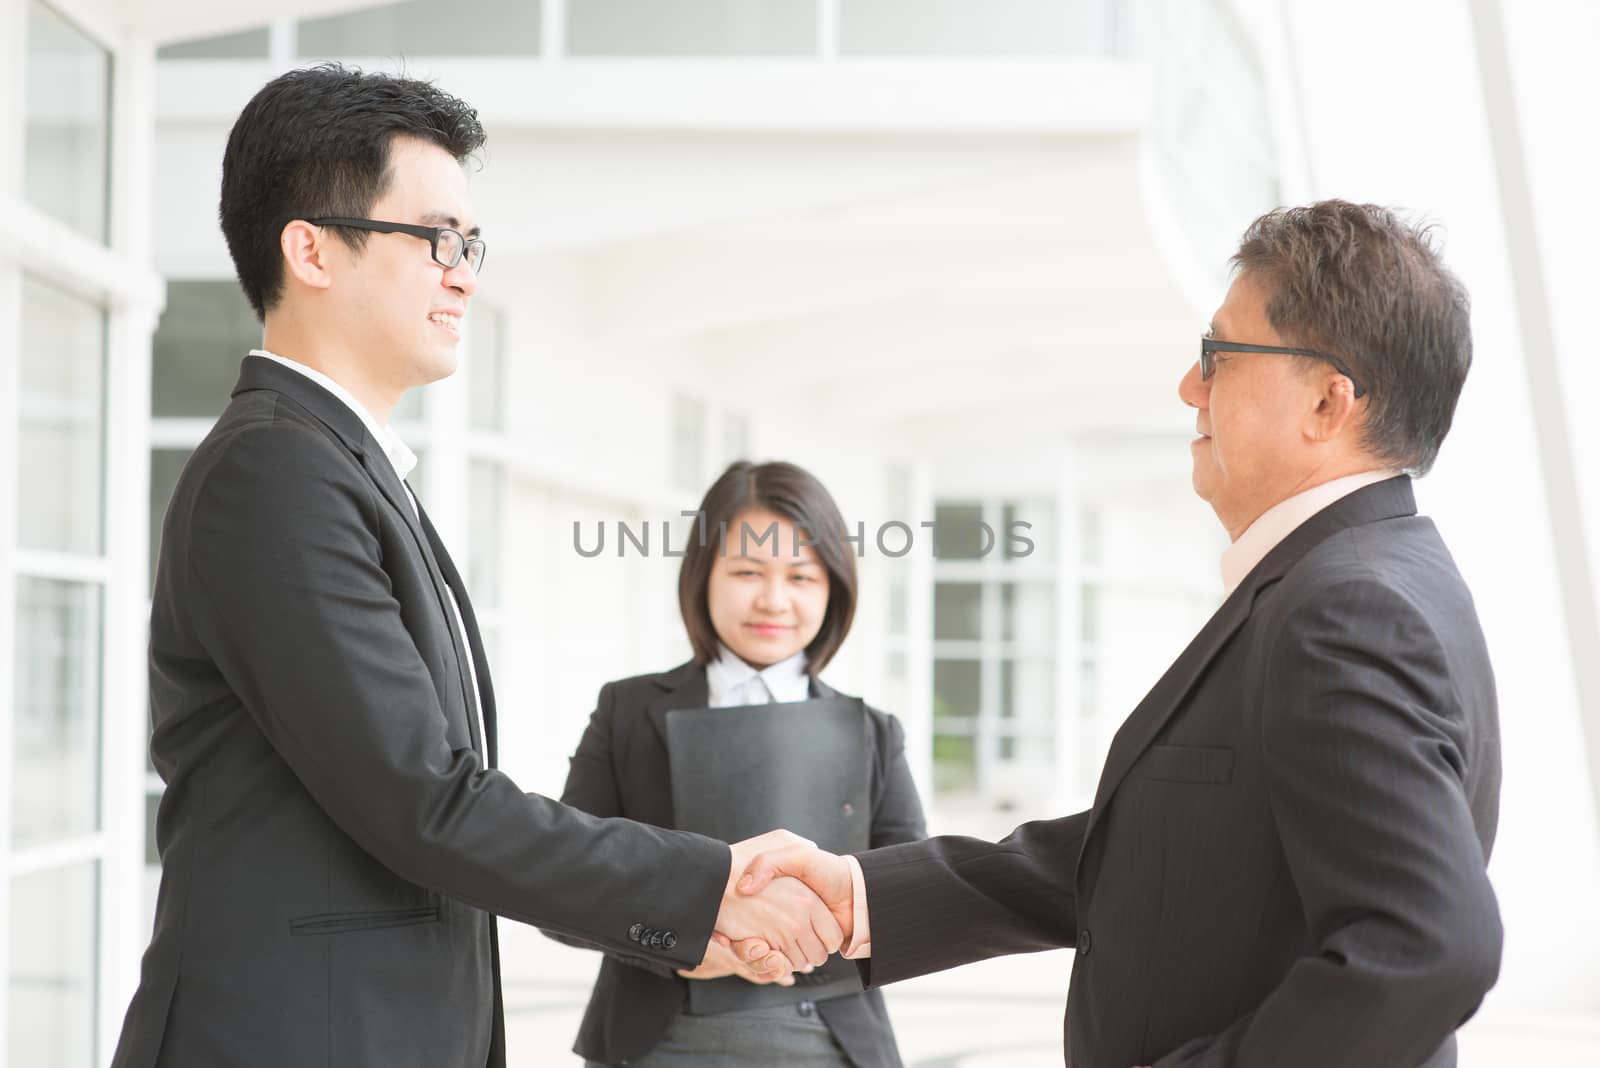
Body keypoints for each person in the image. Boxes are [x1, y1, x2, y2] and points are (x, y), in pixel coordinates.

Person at [112, 65, 839, 1068]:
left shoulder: (343, 466)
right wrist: (705, 884)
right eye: (436, 239)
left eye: (471, 245)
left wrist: (692, 919)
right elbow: (424, 797)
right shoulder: (274, 473)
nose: (463, 272)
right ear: (311, 248)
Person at [735, 200, 1503, 1068]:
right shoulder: (1357, 576)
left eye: (1218, 355)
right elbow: (1174, 849)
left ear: (1328, 402)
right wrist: (864, 893)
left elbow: (1431, 951)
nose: (1189, 386)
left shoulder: (1348, 608)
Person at [550, 460, 927, 1068]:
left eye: (801, 576)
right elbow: (560, 886)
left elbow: (912, 900)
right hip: (658, 1041)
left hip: (831, 1043)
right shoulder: (628, 711)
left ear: (833, 588)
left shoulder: (874, 732)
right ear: (703, 577)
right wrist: (679, 943)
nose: (773, 599)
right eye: (748, 571)